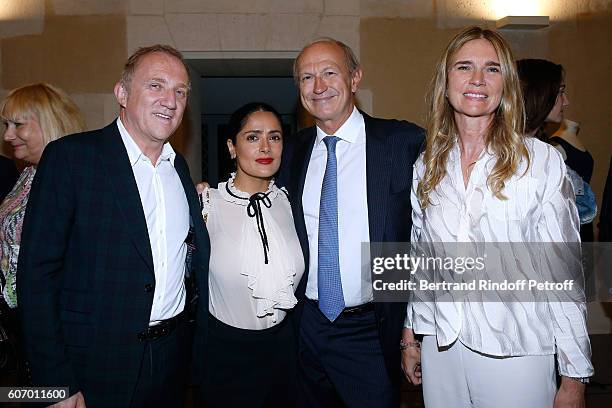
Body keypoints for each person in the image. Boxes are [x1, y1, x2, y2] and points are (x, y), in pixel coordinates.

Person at [401, 26, 593, 408]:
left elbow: (564, 273)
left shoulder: (540, 161)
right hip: (442, 346)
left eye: (492, 69)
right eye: (464, 67)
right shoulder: (429, 163)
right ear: (446, 80)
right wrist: (411, 334)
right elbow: (423, 258)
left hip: (516, 350)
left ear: (506, 83)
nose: (476, 79)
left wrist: (575, 375)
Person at [17, 45, 210, 408]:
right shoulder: (71, 159)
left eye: (180, 91)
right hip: (92, 365)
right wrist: (55, 382)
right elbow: (36, 277)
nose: (170, 100)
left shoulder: (179, 168)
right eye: (156, 85)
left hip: (171, 359)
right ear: (122, 93)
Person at [280, 37, 424, 407]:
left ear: (355, 78)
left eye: (330, 72)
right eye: (307, 78)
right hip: (303, 326)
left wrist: (411, 335)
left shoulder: (402, 142)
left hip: (371, 330)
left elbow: (425, 237)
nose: (319, 86)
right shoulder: (290, 152)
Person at [198, 102, 304, 406]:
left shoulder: (290, 202)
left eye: (275, 136)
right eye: (252, 137)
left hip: (284, 352)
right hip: (226, 356)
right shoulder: (206, 204)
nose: (265, 147)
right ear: (232, 146)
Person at [0, 83, 84, 383]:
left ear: (48, 123)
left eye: (18, 124)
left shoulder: (69, 177)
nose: (8, 135)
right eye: (6, 125)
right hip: (20, 324)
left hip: (51, 331)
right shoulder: (27, 173)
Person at [517, 58, 596, 240]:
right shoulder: (516, 155)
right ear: (540, 94)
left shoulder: (545, 149)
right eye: (561, 93)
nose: (566, 102)